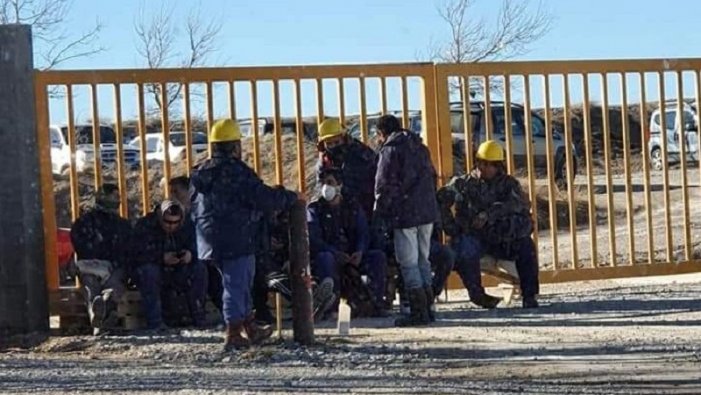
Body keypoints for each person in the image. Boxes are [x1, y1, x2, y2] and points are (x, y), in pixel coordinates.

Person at [190, 118, 302, 351]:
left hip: (210, 238)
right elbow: (263, 198)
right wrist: (292, 197)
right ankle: (233, 332)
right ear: (234, 146)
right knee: (236, 283)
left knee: (238, 281)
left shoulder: (203, 172)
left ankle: (249, 327)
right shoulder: (235, 171)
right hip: (236, 236)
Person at [437, 140, 540, 309]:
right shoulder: (463, 184)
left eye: (491, 164)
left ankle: (529, 295)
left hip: (502, 238)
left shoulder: (508, 184)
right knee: (466, 247)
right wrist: (452, 228)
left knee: (526, 246)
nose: (485, 168)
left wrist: (489, 214)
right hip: (475, 237)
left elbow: (519, 205)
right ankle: (477, 294)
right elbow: (440, 200)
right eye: (482, 163)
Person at [374, 114, 439, 327]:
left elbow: (384, 185)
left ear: (381, 133)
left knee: (408, 263)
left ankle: (418, 311)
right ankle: (429, 308)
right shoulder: (419, 147)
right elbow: (432, 176)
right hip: (427, 212)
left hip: (405, 214)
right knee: (423, 260)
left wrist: (381, 213)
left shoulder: (390, 150)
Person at [307, 169, 387, 317]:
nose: (326, 187)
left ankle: (376, 304)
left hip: (352, 255)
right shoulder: (315, 209)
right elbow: (314, 239)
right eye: (323, 183)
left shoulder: (352, 207)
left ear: (339, 185)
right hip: (330, 255)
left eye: (330, 182)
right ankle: (331, 307)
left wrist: (360, 251)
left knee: (377, 257)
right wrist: (334, 253)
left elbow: (363, 232)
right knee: (325, 259)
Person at [131, 200, 207, 329]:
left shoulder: (187, 226)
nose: (171, 226)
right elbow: (136, 253)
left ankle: (199, 318)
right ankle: (155, 323)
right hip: (153, 271)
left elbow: (199, 246)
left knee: (199, 269)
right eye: (167, 222)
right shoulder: (145, 226)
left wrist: (190, 254)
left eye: (175, 222)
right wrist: (161, 258)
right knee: (149, 272)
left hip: (178, 269)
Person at [70, 184, 131, 335]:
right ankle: (106, 302)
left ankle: (98, 317)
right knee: (113, 285)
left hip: (90, 267)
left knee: (92, 288)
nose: (117, 201)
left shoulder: (83, 222)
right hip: (113, 267)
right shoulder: (122, 225)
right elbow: (127, 250)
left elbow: (81, 247)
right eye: (115, 197)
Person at [170, 176, 223, 316]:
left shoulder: (201, 210)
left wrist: (192, 254)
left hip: (200, 256)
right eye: (171, 192)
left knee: (207, 270)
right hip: (176, 259)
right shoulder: (172, 213)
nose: (173, 196)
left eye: (177, 192)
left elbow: (206, 237)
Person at [316, 118, 378, 220]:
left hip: (364, 212)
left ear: (344, 138)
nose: (333, 146)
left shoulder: (362, 154)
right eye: (329, 143)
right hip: (337, 216)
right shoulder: (324, 162)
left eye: (336, 142)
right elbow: (320, 187)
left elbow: (374, 183)